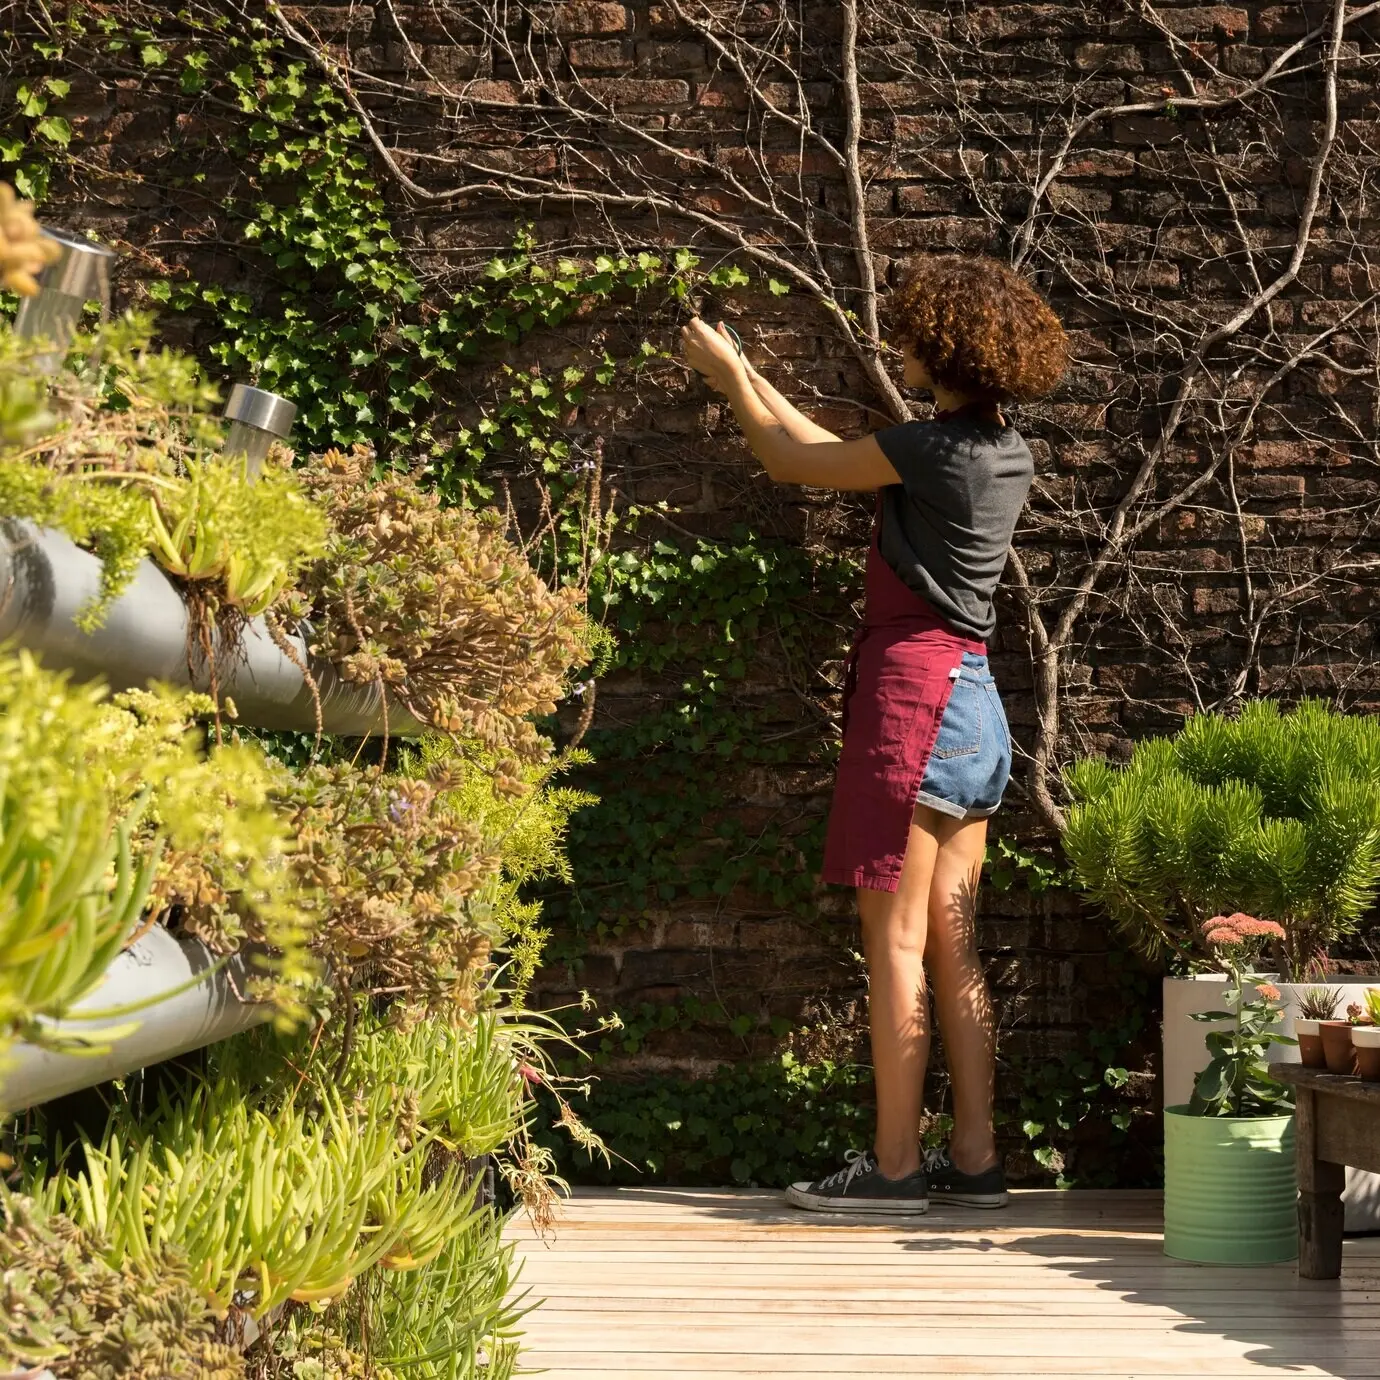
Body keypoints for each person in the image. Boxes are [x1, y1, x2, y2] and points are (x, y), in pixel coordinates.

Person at [679, 254, 1067, 1213]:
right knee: (954, 944)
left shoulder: (929, 451)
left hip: (915, 703)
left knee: (895, 944)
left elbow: (790, 464)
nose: (903, 349)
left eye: (914, 339)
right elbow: (834, 451)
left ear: (943, 350)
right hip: (975, 706)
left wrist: (726, 381)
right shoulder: (998, 451)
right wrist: (751, 372)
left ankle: (894, 1168)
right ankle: (974, 1160)